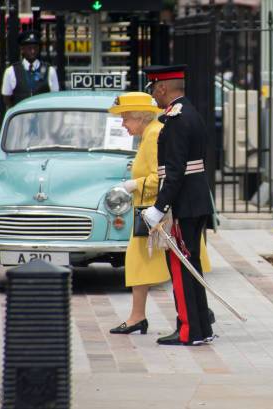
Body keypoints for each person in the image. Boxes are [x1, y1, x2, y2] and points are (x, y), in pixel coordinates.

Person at [107, 92, 212, 335]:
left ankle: (191, 317)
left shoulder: (155, 133)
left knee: (172, 266)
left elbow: (165, 176)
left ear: (140, 117)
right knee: (144, 266)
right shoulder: (149, 132)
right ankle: (148, 316)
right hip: (153, 210)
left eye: (125, 118)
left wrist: (134, 185)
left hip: (158, 211)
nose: (123, 124)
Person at [142, 65, 215, 346]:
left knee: (181, 266)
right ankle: (201, 328)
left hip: (183, 203)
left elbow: (173, 171)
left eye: (154, 90)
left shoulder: (175, 119)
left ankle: (189, 330)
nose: (154, 97)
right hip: (195, 200)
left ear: (162, 88)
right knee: (191, 264)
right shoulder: (191, 113)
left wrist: (159, 207)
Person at [1, 30, 59, 109]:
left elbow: (55, 98)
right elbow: (6, 97)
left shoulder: (49, 70)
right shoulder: (11, 71)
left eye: (35, 47)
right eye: (29, 48)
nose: (33, 51)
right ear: (22, 49)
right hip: (21, 118)